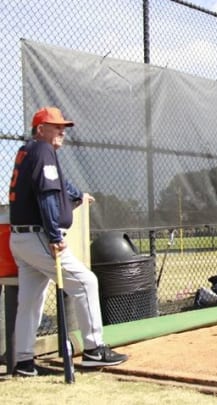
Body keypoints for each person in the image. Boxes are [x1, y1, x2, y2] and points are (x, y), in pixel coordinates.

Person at [9, 107, 128, 377]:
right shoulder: (42, 150)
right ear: (41, 129)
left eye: (64, 126)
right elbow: (48, 195)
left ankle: (24, 362)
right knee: (86, 282)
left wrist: (78, 194)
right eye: (56, 126)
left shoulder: (31, 151)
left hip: (22, 239)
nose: (62, 130)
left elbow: (61, 185)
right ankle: (93, 349)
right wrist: (53, 235)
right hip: (40, 235)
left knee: (30, 301)